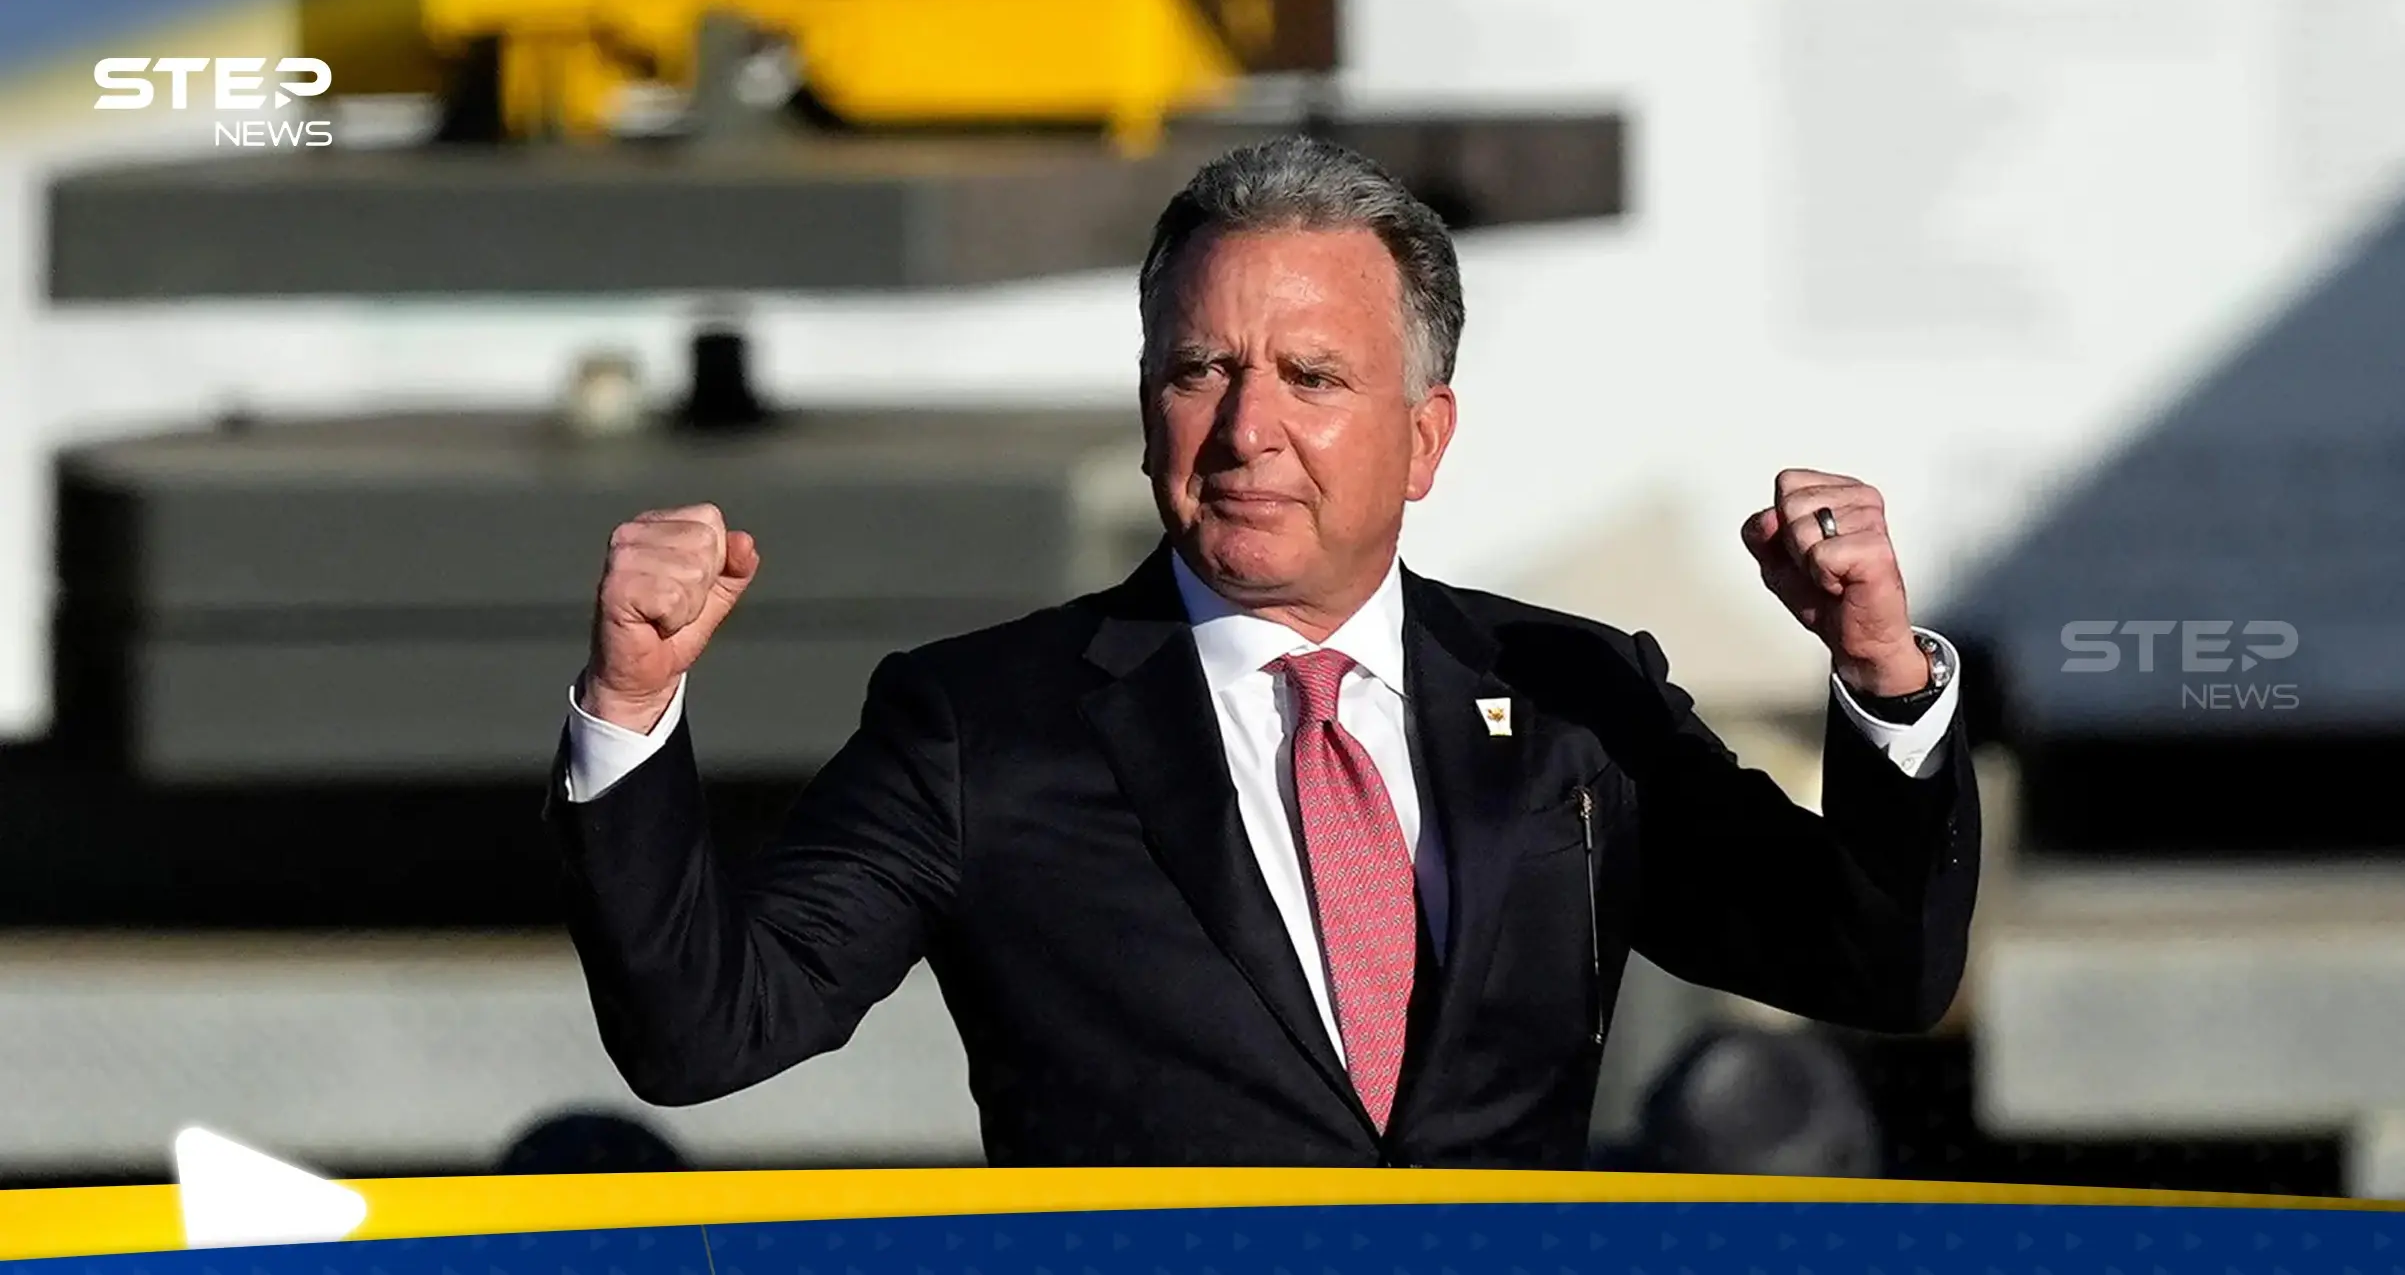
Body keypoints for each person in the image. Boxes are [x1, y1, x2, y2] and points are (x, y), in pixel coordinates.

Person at [545, 135, 1979, 1169]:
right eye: (1202, 371)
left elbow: (1877, 967)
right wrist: (631, 704)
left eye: (1311, 377)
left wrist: (1880, 676)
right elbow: (702, 1032)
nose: (1246, 431)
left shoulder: (1571, 699)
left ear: (1425, 436)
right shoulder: (981, 725)